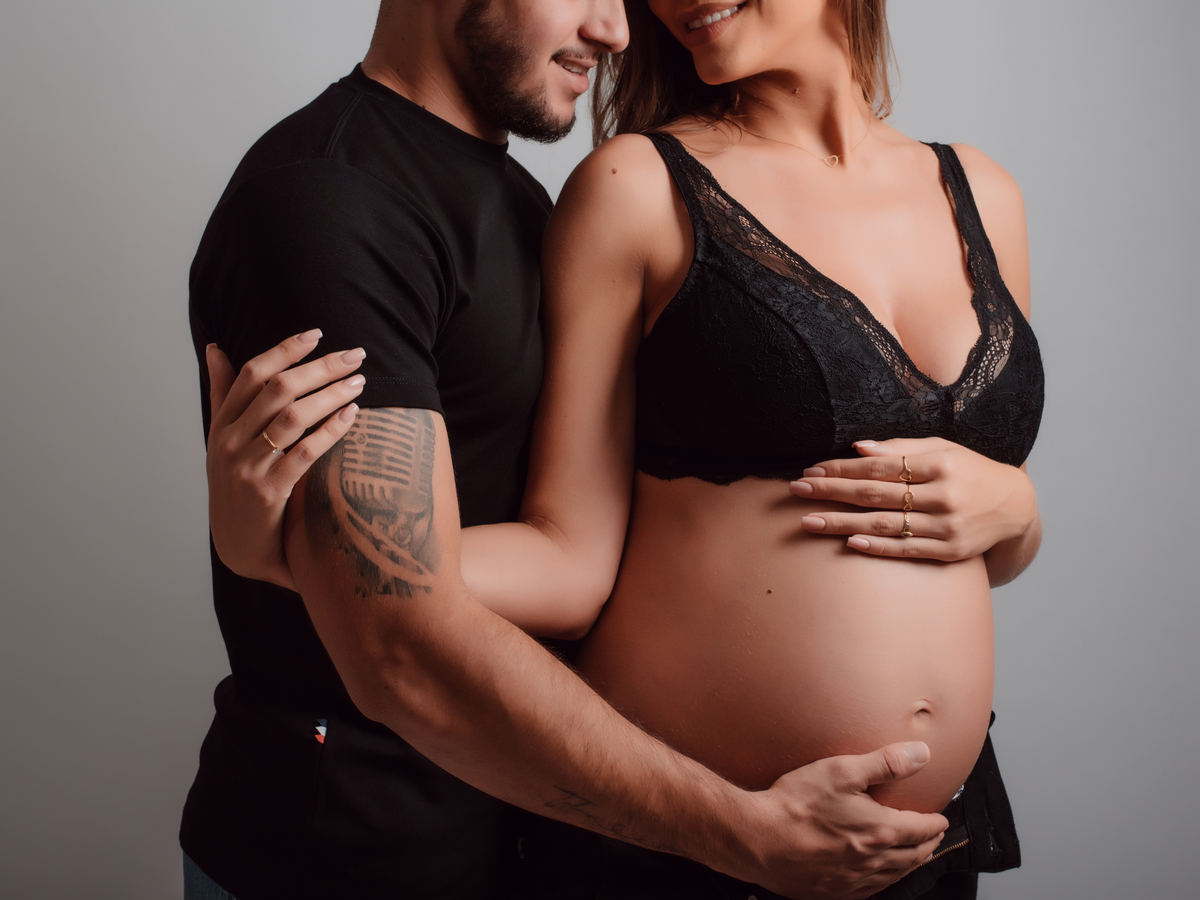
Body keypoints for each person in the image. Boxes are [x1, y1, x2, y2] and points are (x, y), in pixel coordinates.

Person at [185, 1, 961, 899]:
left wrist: (288, 559)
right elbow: (400, 650)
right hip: (348, 853)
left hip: (512, 834)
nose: (617, 30)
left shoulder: (514, 201)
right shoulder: (329, 201)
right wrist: (740, 833)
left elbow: (572, 561)